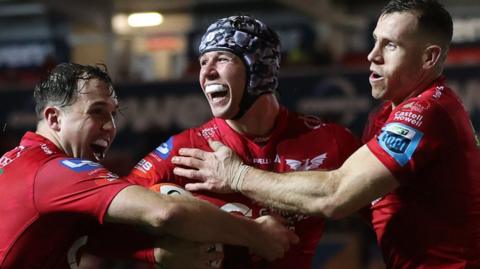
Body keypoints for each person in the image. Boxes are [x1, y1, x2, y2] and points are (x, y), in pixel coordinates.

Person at [172, 1, 480, 268]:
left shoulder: (427, 112)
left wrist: (237, 175)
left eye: (391, 45)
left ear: (429, 58)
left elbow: (336, 195)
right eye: (375, 41)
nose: (372, 55)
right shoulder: (387, 114)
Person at [0, 63, 297, 269]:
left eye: (114, 114)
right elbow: (167, 212)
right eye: (98, 112)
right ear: (54, 119)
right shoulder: (54, 171)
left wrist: (155, 254)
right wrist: (257, 235)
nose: (110, 127)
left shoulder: (19, 163)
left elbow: (89, 237)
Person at [127, 15, 360, 269]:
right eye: (203, 61)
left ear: (259, 69)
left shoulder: (330, 141)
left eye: (222, 58)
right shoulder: (187, 149)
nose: (206, 72)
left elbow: (389, 209)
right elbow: (108, 216)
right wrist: (154, 254)